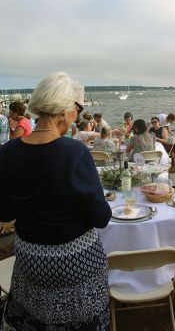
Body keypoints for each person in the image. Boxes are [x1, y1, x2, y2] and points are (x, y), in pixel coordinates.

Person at [0, 72, 112, 330]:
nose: (78, 113)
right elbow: (101, 217)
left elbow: (4, 212)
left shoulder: (8, 152)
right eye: (78, 107)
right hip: (74, 263)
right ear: (64, 108)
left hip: (30, 260)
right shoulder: (73, 152)